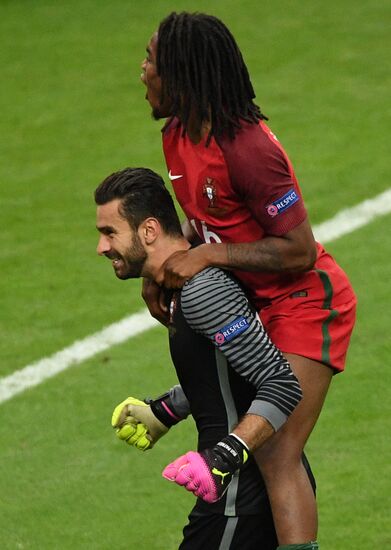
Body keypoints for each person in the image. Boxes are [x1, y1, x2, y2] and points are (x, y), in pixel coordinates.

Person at [139, 12, 357, 550]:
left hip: (307, 303)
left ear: (183, 74)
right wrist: (167, 265)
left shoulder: (248, 149)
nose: (142, 72)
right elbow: (204, 222)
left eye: (150, 61)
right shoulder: (177, 136)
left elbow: (299, 249)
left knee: (277, 452)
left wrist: (207, 260)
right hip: (253, 300)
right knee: (253, 429)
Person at [95, 167, 316, 550]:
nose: (101, 247)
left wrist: (223, 458)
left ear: (148, 231)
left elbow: (280, 383)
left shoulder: (201, 290)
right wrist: (166, 409)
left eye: (109, 233)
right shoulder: (181, 287)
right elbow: (229, 370)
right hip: (240, 499)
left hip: (238, 501)